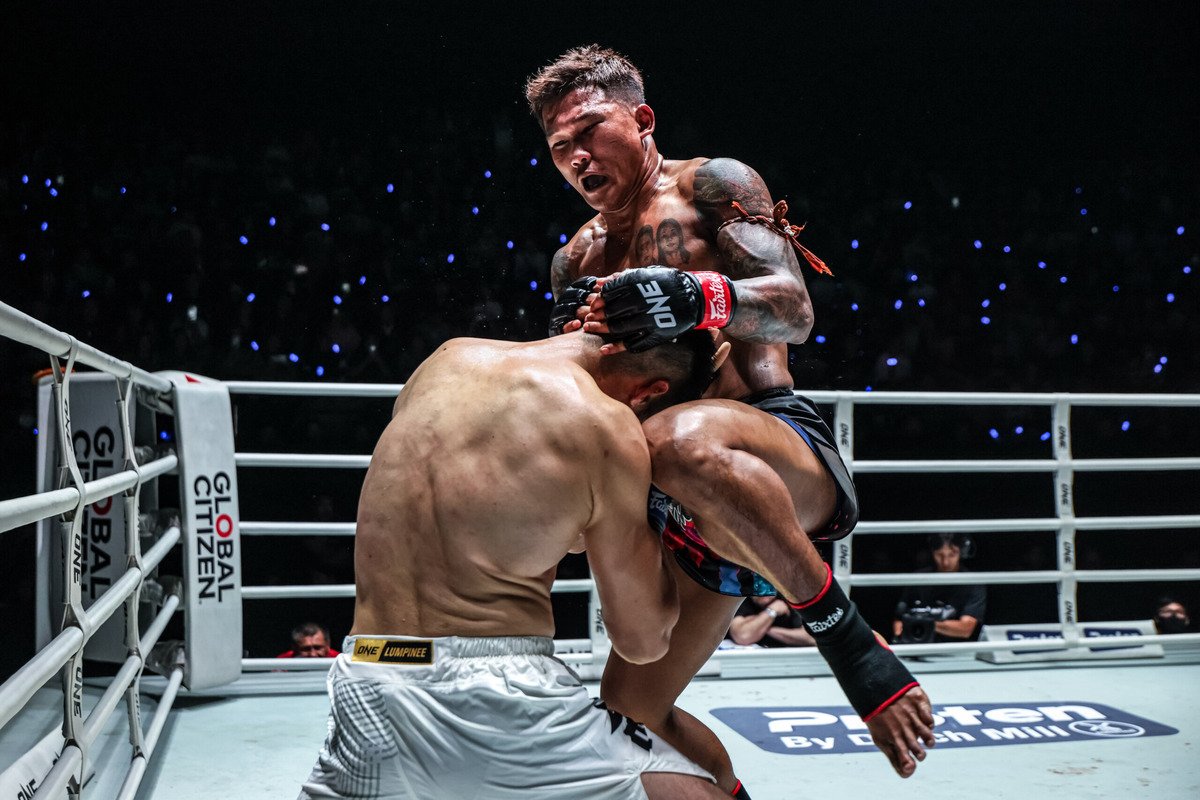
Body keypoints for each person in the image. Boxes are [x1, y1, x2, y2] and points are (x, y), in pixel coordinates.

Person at [527, 45, 935, 797]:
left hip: (768, 447)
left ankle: (849, 641)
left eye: (590, 131)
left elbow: (795, 308)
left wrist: (698, 297)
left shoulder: (715, 184)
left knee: (678, 439)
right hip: (680, 506)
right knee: (627, 726)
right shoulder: (575, 260)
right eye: (559, 146)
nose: (577, 156)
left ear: (642, 120)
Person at [298, 329, 732, 800]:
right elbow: (642, 642)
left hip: (367, 678)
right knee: (700, 788)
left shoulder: (446, 358)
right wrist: (664, 533)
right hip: (499, 698)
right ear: (650, 392)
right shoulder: (605, 424)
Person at [891, 534, 987, 643]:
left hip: (956, 649)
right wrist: (900, 635)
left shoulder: (972, 583)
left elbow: (966, 629)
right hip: (918, 647)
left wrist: (925, 624)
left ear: (961, 552)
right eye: (939, 555)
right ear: (932, 552)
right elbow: (899, 620)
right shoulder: (917, 579)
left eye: (952, 555)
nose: (945, 562)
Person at [726, 595, 815, 648]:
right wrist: (771, 611)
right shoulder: (742, 600)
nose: (764, 592)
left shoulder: (789, 598)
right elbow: (742, 636)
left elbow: (812, 637)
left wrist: (765, 629)